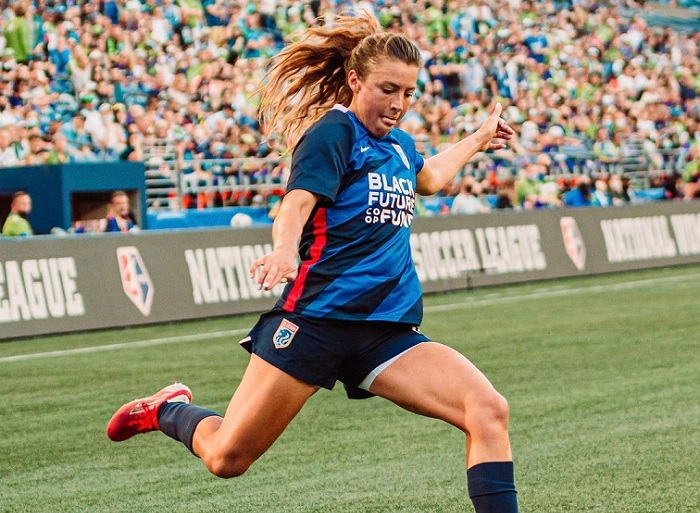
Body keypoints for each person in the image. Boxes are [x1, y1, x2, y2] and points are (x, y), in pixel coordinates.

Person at [106, 14, 518, 513]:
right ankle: (168, 409)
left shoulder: (401, 145)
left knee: (488, 410)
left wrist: (477, 138)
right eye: (388, 89)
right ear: (354, 79)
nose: (399, 104)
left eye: (408, 93)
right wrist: (284, 248)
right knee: (225, 457)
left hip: (385, 330)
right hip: (316, 321)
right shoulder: (333, 134)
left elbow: (427, 179)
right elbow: (297, 204)